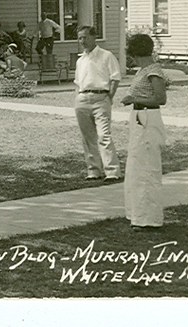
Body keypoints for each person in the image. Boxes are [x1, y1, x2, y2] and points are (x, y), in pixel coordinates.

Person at [119, 33, 169, 230]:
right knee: (136, 167)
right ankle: (137, 214)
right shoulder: (143, 70)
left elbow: (160, 99)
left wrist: (134, 99)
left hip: (148, 117)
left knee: (146, 168)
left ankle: (149, 218)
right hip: (140, 117)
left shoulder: (154, 71)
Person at [73, 25, 123, 182]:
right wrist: (78, 98)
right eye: (80, 38)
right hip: (83, 99)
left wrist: (109, 97)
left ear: (94, 37)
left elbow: (115, 78)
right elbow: (77, 82)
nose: (82, 41)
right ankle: (94, 170)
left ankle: (112, 171)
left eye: (85, 37)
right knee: (88, 138)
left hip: (101, 98)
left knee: (103, 135)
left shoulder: (106, 56)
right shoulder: (80, 60)